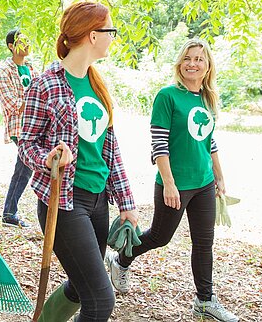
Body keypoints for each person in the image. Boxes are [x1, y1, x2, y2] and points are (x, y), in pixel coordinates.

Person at [19, 2, 137, 322]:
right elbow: (26, 144)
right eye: (110, 30)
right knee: (100, 300)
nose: (113, 37)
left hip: (98, 200)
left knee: (80, 285)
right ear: (93, 35)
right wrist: (48, 159)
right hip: (64, 202)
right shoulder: (45, 84)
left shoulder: (97, 83)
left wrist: (126, 203)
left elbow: (110, 149)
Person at [106, 39, 239, 322]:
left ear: (208, 66)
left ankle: (204, 300)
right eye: (187, 58)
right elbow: (159, 144)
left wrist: (219, 176)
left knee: (204, 243)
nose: (193, 63)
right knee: (159, 237)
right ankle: (120, 259)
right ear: (180, 63)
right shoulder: (167, 96)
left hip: (204, 183)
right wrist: (168, 183)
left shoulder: (207, 98)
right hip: (175, 183)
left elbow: (209, 141)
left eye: (199, 59)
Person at [0, 28, 37, 228]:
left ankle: (9, 213)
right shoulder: (4, 71)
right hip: (19, 127)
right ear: (11, 46)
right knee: (25, 167)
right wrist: (35, 102)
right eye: (21, 41)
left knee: (25, 167)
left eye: (28, 40)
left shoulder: (31, 68)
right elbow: (11, 104)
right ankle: (9, 213)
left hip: (35, 125)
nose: (26, 45)